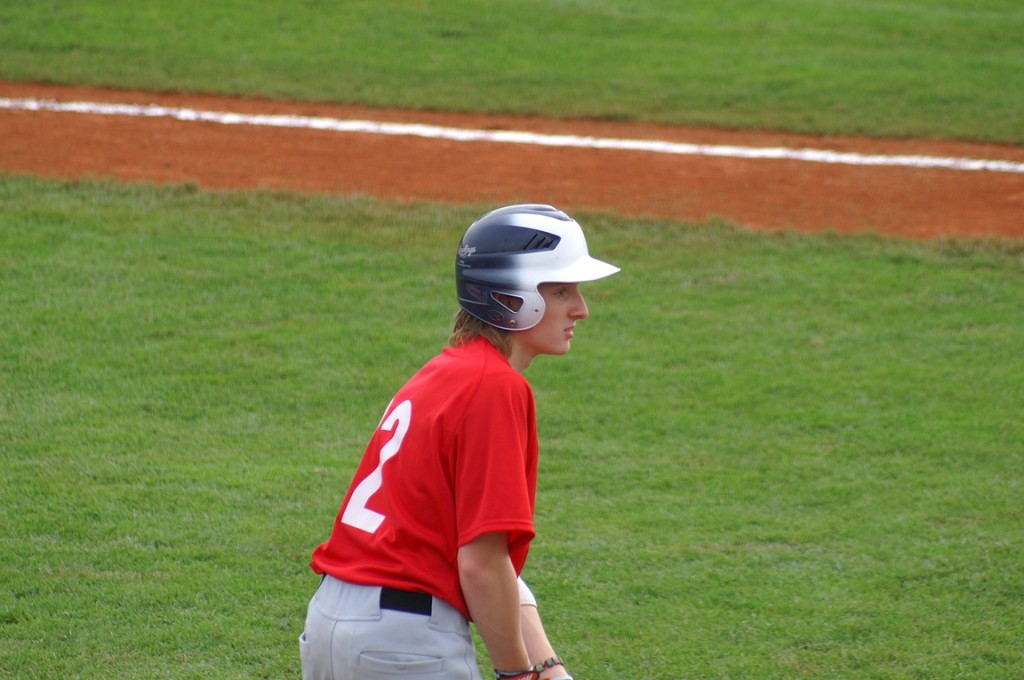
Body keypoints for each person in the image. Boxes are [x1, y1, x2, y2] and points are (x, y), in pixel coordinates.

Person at [300, 204, 620, 680]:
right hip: (405, 644)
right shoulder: (494, 386)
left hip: (334, 624)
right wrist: (517, 673)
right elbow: (481, 564)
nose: (581, 308)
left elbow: (487, 559)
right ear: (510, 296)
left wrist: (548, 667)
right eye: (560, 291)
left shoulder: (444, 374)